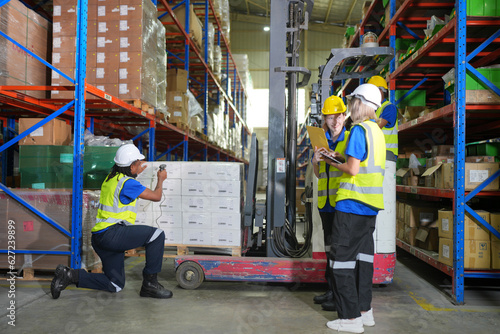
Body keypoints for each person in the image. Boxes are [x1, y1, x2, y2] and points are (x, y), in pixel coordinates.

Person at [50, 144, 173, 299]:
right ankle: (150, 284)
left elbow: (126, 186)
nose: (140, 165)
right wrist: (161, 180)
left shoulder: (112, 179)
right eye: (138, 163)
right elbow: (156, 196)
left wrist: (136, 173)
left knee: (115, 285)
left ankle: (70, 275)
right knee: (157, 235)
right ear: (131, 165)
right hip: (112, 234)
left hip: (100, 238)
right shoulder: (128, 183)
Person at [324, 84, 386, 333]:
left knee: (340, 261)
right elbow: (359, 161)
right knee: (363, 261)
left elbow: (352, 169)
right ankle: (364, 311)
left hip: (352, 205)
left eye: (352, 102)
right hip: (370, 207)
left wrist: (332, 162)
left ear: (361, 103)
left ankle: (350, 319)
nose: (350, 107)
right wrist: (337, 156)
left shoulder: (359, 130)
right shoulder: (376, 131)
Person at [311, 95, 349, 312]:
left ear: (344, 116)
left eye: (338, 117)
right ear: (324, 119)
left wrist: (336, 157)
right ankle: (330, 288)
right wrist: (316, 162)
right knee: (329, 249)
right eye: (330, 117)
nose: (335, 122)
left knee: (339, 251)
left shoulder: (349, 138)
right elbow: (318, 174)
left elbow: (352, 166)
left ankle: (338, 294)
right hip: (325, 203)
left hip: (341, 203)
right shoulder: (320, 140)